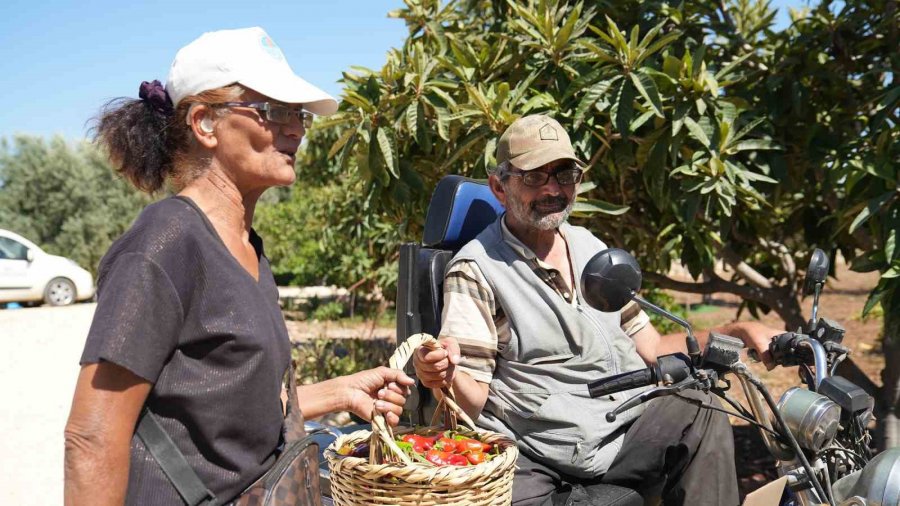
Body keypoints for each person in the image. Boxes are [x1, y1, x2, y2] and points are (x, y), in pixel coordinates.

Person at [64, 27, 414, 505]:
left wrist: (341, 393)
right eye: (275, 112)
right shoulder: (164, 243)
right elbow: (91, 436)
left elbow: (224, 408)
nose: (296, 130)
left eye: (300, 115)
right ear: (205, 123)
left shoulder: (245, 245)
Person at [413, 114, 779, 506]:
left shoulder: (590, 246)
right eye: (535, 176)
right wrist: (444, 374)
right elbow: (473, 400)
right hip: (545, 446)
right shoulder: (477, 269)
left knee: (702, 408)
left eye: (565, 174)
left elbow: (652, 347)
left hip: (623, 424)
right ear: (499, 188)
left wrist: (738, 332)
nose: (553, 189)